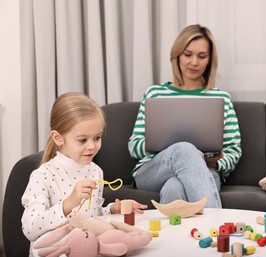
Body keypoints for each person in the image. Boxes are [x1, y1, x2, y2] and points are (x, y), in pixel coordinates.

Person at [128, 24, 242, 208]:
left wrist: (210, 163)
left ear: (209, 60)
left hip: (206, 169)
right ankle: (217, 230)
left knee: (174, 187)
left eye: (202, 56)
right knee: (185, 149)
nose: (194, 62)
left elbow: (233, 151)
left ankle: (170, 237)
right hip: (153, 170)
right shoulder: (155, 93)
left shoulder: (221, 98)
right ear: (177, 55)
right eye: (188, 54)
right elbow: (134, 146)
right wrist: (172, 150)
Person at [21, 92, 147, 242]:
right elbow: (30, 228)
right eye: (82, 140)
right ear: (58, 138)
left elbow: (92, 215)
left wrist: (113, 209)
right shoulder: (43, 176)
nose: (92, 146)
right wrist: (68, 203)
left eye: (97, 138)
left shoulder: (95, 171)